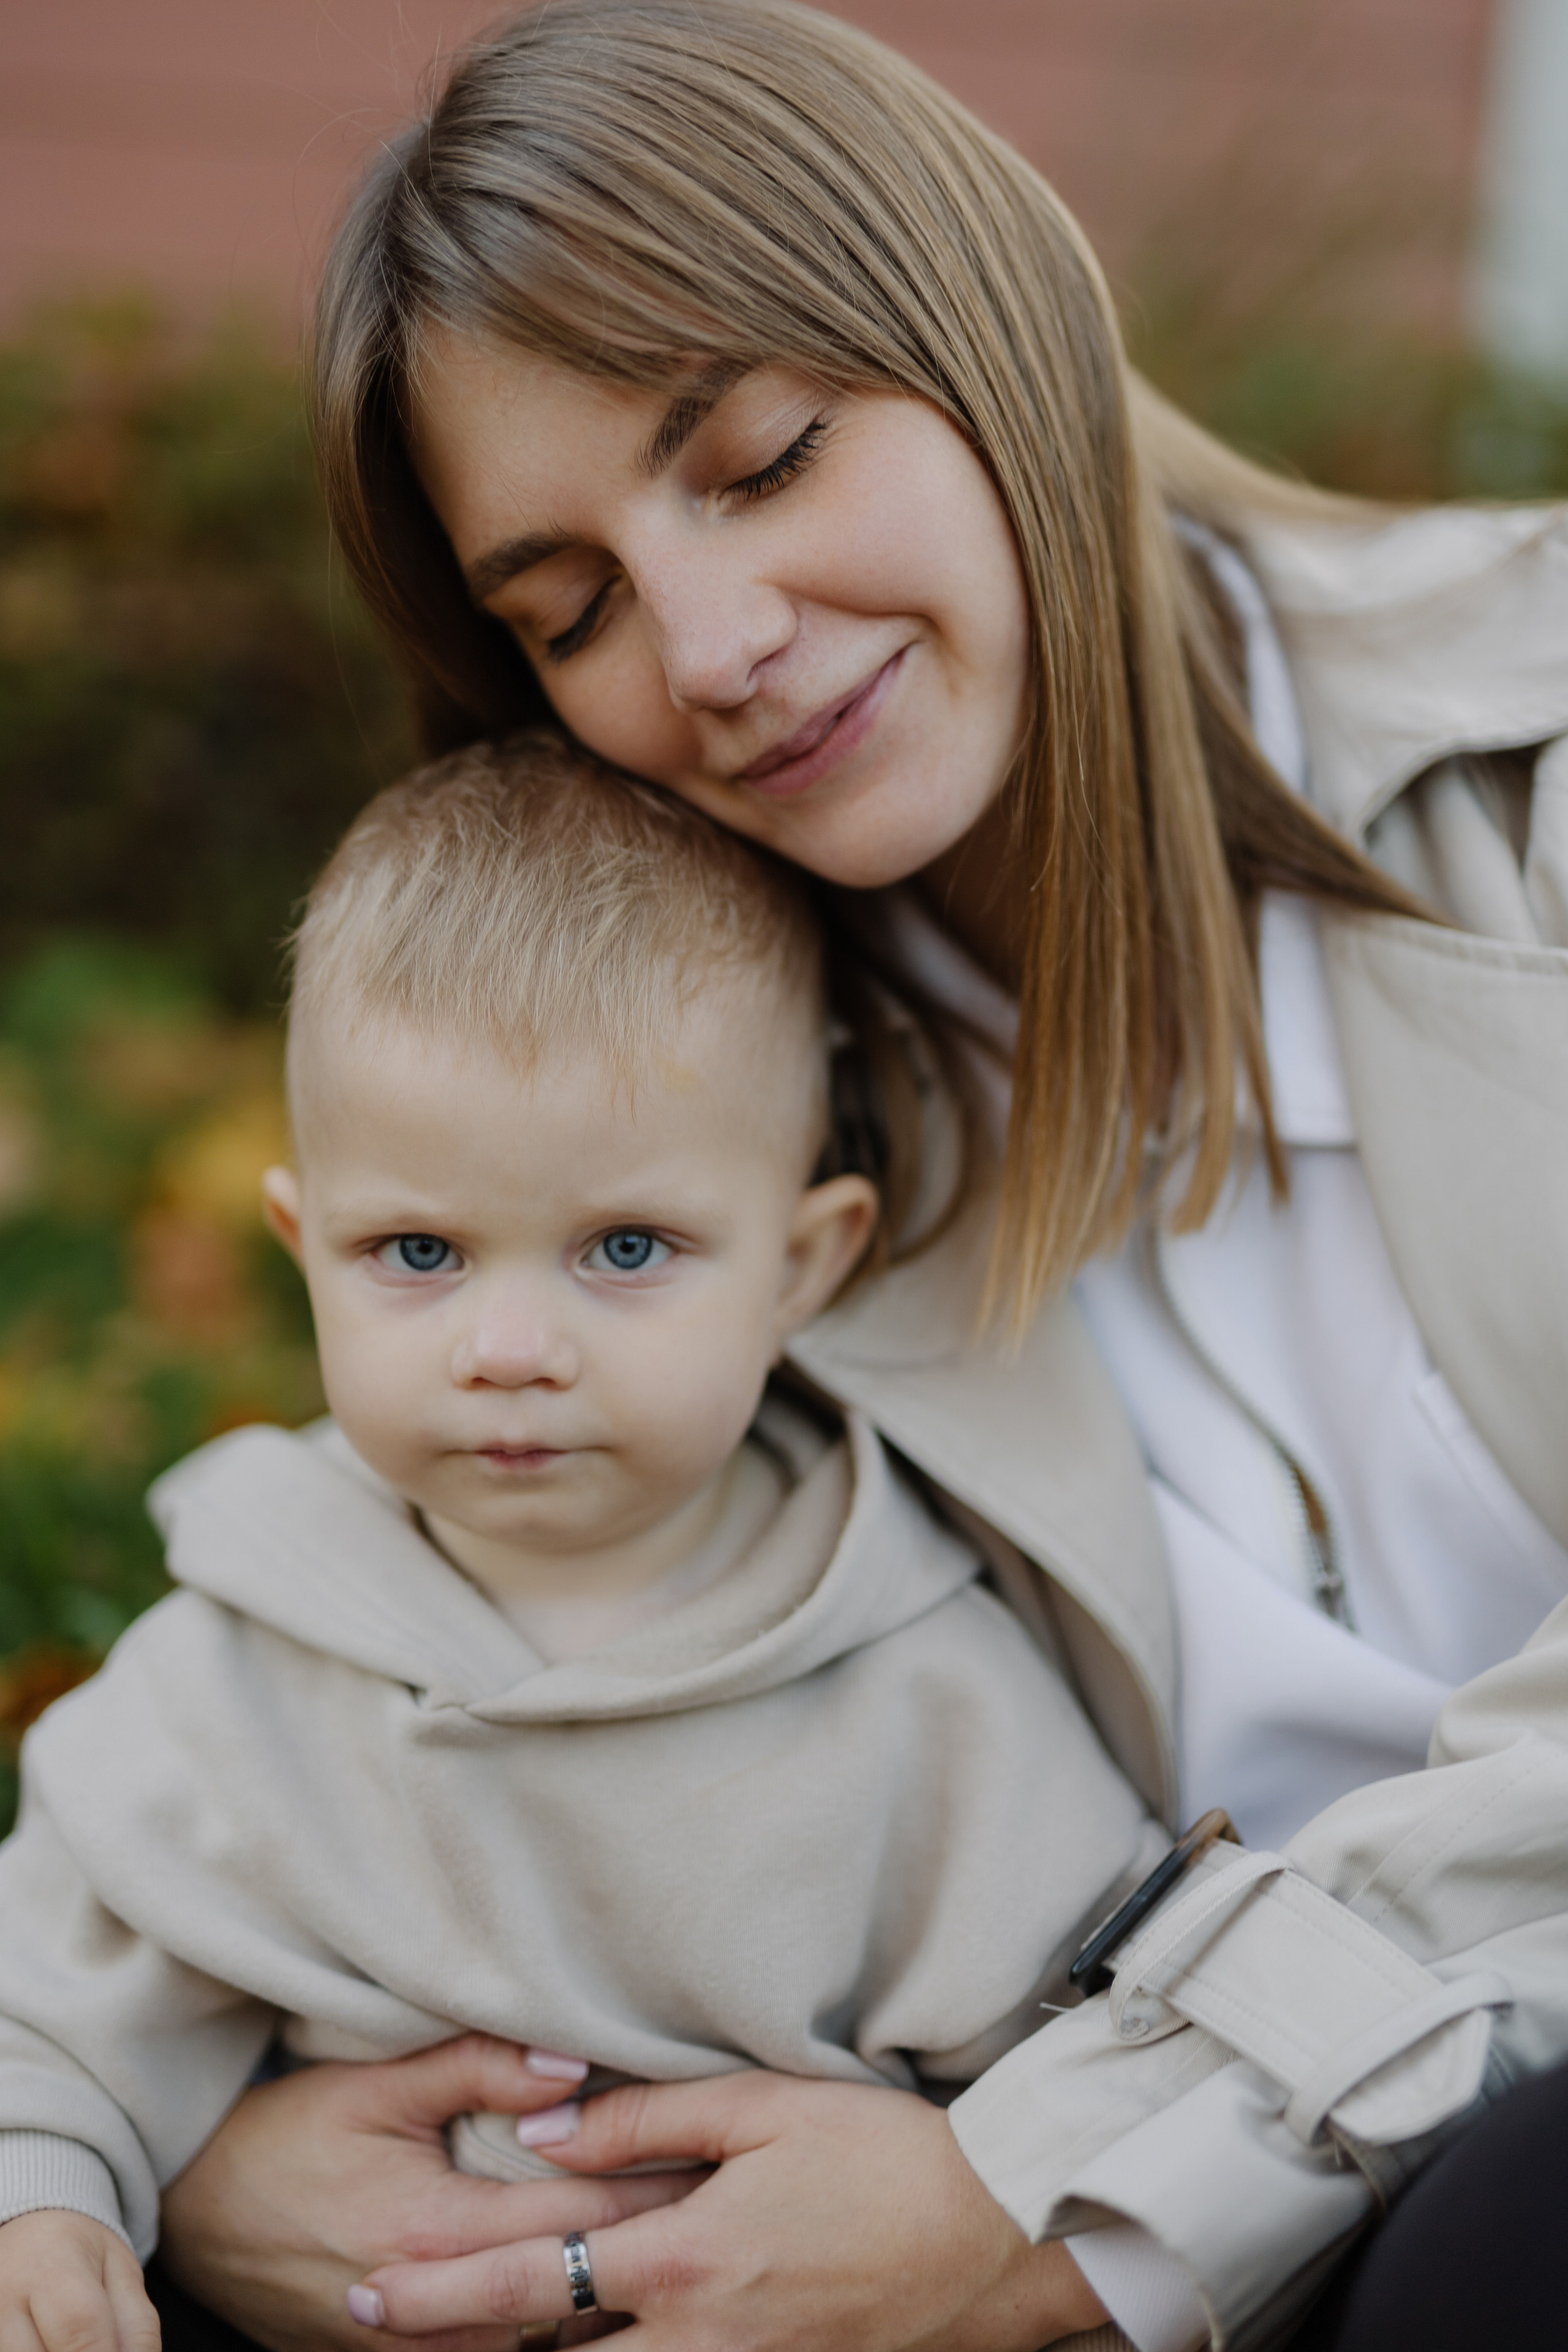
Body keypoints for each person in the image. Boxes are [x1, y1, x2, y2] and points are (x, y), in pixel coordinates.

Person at [85, 2, 1568, 2348]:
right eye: (565, 609)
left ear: (983, 325)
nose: (717, 651)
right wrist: (217, 2153)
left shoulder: (1543, 758)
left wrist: (1070, 2205)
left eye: (764, 462)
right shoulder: (707, 1164)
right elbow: (476, 1714)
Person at [0, 734, 1160, 2352]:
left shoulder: (922, 1684)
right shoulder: (238, 1662)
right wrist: (45, 2200)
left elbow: (1108, 2081)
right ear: (301, 1247)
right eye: (418, 1250)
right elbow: (48, 2006)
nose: (509, 1343)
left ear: (803, 1266)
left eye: (627, 1247)